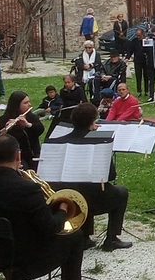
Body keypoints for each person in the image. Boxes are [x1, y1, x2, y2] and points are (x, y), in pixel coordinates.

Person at [0, 135, 94, 280]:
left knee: (10, 234)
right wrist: (62, 210)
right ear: (18, 156)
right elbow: (51, 227)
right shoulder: (28, 189)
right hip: (27, 261)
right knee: (76, 235)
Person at [47, 103, 132, 251]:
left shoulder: (57, 140)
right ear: (93, 122)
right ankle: (111, 239)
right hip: (92, 199)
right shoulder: (99, 141)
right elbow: (110, 175)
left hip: (66, 198)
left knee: (81, 186)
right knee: (121, 191)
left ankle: (85, 237)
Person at [0, 91, 44, 169]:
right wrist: (7, 129)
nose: (29, 104)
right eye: (25, 103)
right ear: (16, 105)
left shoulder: (31, 117)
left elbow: (40, 129)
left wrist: (27, 125)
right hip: (15, 158)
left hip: (33, 155)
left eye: (29, 102)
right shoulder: (4, 119)